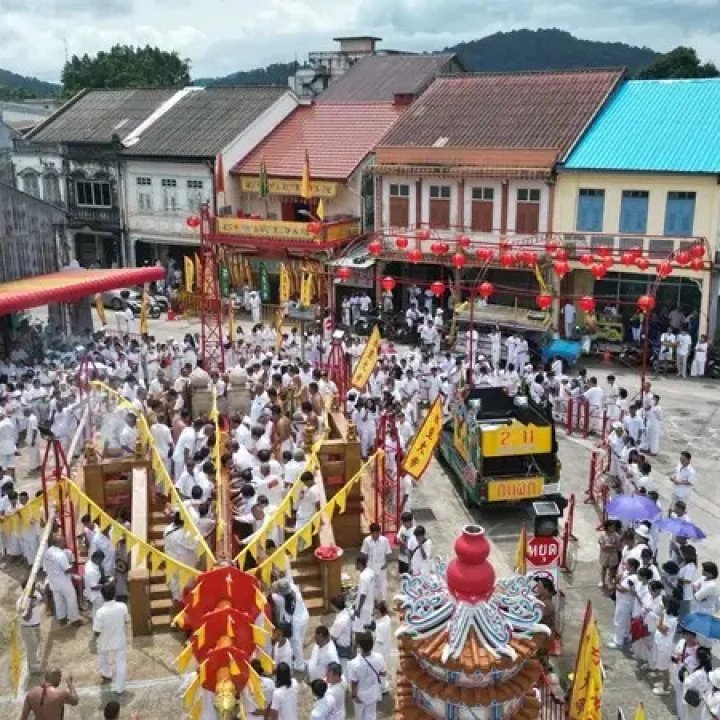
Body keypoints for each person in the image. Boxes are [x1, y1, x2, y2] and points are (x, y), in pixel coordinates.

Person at [94, 583, 129, 695]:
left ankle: (107, 674)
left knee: (103, 657)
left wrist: (96, 638)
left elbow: (97, 631)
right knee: (121, 663)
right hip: (119, 640)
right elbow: (126, 621)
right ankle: (120, 689)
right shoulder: (122, 606)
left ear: (102, 595)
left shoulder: (100, 612)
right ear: (114, 594)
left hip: (104, 641)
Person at [42, 535, 82, 626]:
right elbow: (67, 570)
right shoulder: (60, 555)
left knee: (58, 600)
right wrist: (72, 565)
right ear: (59, 543)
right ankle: (75, 620)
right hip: (63, 582)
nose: (65, 543)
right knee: (71, 599)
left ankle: (62, 619)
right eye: (63, 541)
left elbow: (45, 569)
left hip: (53, 582)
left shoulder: (47, 552)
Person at [348, 631, 386, 720]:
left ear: (360, 646)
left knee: (360, 716)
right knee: (371, 715)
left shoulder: (354, 664)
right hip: (373, 692)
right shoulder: (379, 657)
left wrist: (354, 695)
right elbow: (384, 673)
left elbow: (354, 682)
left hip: (360, 695)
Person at [17, 579, 44, 675]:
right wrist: (30, 607)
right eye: (33, 587)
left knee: (37, 645)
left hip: (37, 625)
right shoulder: (21, 601)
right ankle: (33, 669)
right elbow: (26, 618)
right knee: (31, 648)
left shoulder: (36, 594)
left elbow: (42, 598)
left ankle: (35, 664)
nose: (34, 588)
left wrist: (41, 591)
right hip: (27, 628)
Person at [360, 524, 392, 602]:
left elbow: (388, 552)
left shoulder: (385, 540)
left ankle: (383, 600)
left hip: (381, 565)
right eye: (373, 533)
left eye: (377, 533)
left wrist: (386, 563)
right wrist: (364, 567)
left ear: (379, 532)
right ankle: (373, 600)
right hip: (370, 565)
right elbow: (364, 553)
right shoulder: (366, 540)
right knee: (372, 584)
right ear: (370, 533)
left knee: (383, 584)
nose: (375, 535)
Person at [353, 554, 376, 633]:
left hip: (364, 608)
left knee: (359, 629)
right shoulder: (370, 572)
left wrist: (358, 610)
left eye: (356, 563)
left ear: (360, 564)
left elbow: (363, 594)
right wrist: (358, 587)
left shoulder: (363, 577)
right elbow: (368, 587)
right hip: (370, 605)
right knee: (367, 626)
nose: (355, 565)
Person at [329, 595, 353, 668]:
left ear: (334, 606)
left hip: (342, 648)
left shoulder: (340, 621)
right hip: (349, 642)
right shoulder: (348, 611)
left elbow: (333, 637)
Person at [373, 601, 392, 693]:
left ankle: (381, 687)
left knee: (379, 668)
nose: (375, 614)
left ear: (382, 612)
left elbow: (378, 641)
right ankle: (383, 685)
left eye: (377, 613)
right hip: (385, 647)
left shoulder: (381, 626)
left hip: (380, 649)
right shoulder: (386, 618)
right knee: (383, 666)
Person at [396, 511, 414, 575]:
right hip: (402, 557)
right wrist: (401, 541)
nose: (403, 524)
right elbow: (397, 538)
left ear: (410, 521)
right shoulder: (403, 527)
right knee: (402, 576)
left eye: (404, 523)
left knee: (409, 578)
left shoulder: (414, 532)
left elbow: (412, 549)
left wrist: (402, 542)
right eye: (402, 523)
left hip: (410, 561)